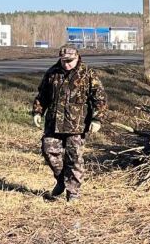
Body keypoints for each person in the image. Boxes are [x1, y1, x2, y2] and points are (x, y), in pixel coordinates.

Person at [32, 44, 107, 201]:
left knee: (74, 159)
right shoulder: (52, 72)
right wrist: (38, 111)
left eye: (70, 61)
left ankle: (73, 193)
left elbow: (99, 98)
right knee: (48, 150)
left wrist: (97, 119)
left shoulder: (88, 74)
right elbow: (42, 94)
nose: (66, 64)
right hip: (54, 122)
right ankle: (61, 180)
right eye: (63, 61)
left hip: (77, 125)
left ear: (78, 57)